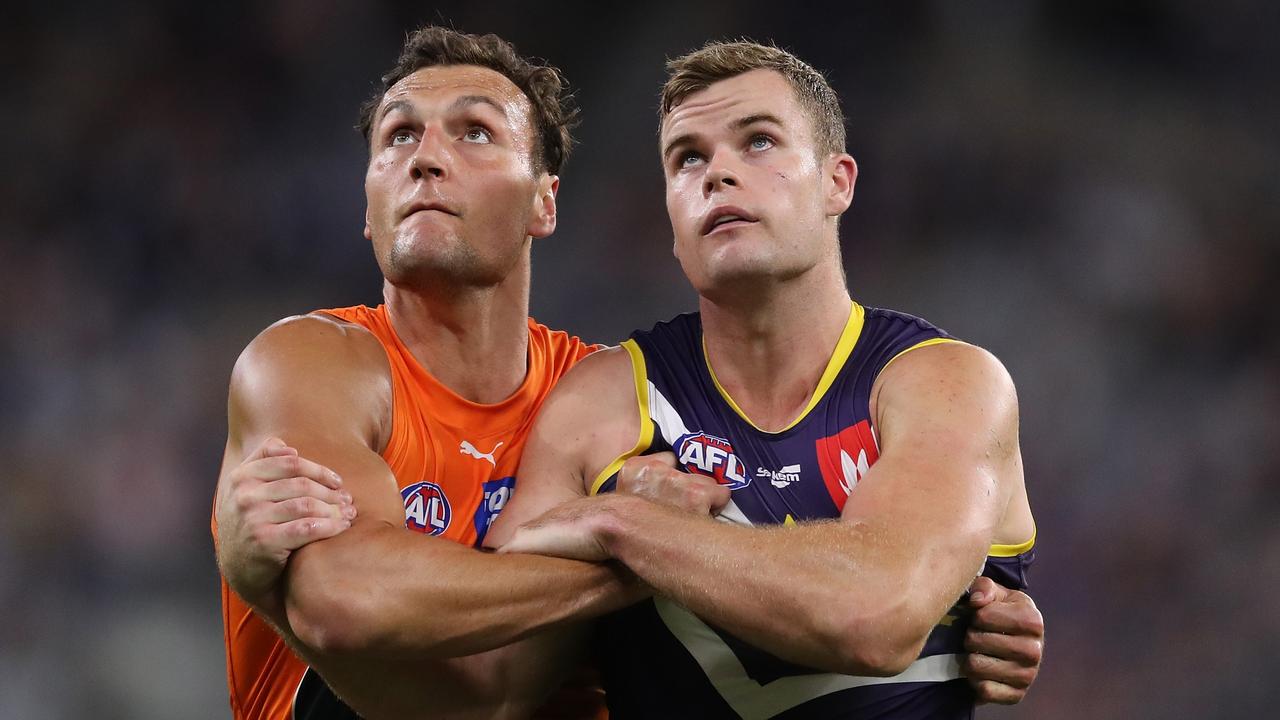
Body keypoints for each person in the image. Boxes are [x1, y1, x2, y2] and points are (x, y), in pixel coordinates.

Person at [213, 27, 1043, 720]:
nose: (425, 159)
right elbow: (434, 662)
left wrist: (623, 532)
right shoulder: (319, 363)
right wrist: (284, 600)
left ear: (546, 202)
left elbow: (877, 612)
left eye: (472, 132)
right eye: (398, 136)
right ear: (365, 206)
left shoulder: (594, 386)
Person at [492, 40, 1038, 718]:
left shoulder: (945, 382)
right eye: (687, 157)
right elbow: (487, 685)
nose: (716, 172)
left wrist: (619, 526)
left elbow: (876, 616)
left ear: (836, 182)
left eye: (758, 142)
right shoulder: (599, 402)